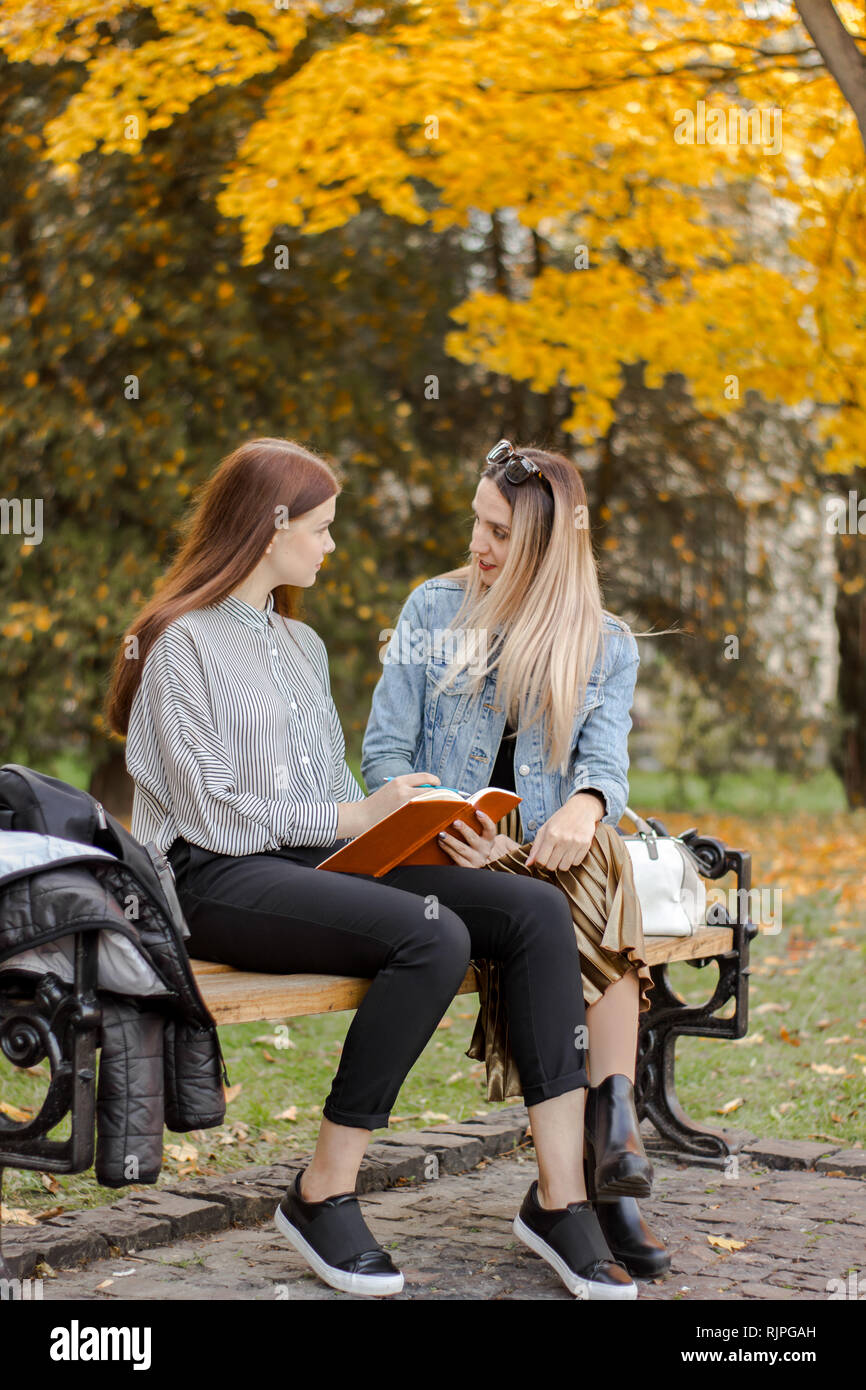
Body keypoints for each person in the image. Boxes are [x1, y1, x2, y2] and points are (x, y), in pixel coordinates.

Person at [105, 436, 640, 1300]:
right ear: (268, 529)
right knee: (431, 935)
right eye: (320, 528)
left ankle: (561, 1199)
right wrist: (351, 815)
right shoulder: (179, 644)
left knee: (529, 913)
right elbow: (210, 814)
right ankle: (323, 1190)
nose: (331, 545)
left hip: (311, 864)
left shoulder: (301, 647)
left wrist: (395, 821)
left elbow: (332, 789)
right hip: (207, 879)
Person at [361, 438, 669, 1278]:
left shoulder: (601, 640)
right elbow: (382, 757)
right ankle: (604, 1162)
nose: (478, 545)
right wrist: (445, 817)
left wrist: (582, 804)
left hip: (545, 855)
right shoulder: (433, 612)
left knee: (598, 854)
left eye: (497, 531)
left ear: (543, 544)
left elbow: (606, 761)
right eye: (476, 523)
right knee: (585, 892)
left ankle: (599, 1158)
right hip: (453, 853)